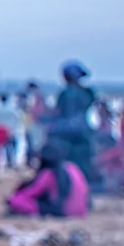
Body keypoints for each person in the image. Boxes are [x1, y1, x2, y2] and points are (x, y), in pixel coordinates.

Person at [46, 60, 99, 188]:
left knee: (66, 159)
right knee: (84, 158)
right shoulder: (88, 92)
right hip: (84, 129)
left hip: (64, 131)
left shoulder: (65, 93)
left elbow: (58, 111)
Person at [7, 141, 91, 218]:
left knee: (16, 200)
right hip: (81, 210)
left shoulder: (49, 173)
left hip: (62, 210)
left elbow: (31, 192)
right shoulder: (72, 167)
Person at [0, 93, 23, 168]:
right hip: (13, 131)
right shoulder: (12, 108)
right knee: (14, 146)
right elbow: (17, 119)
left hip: (3, 132)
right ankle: (12, 161)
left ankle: (8, 161)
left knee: (6, 147)